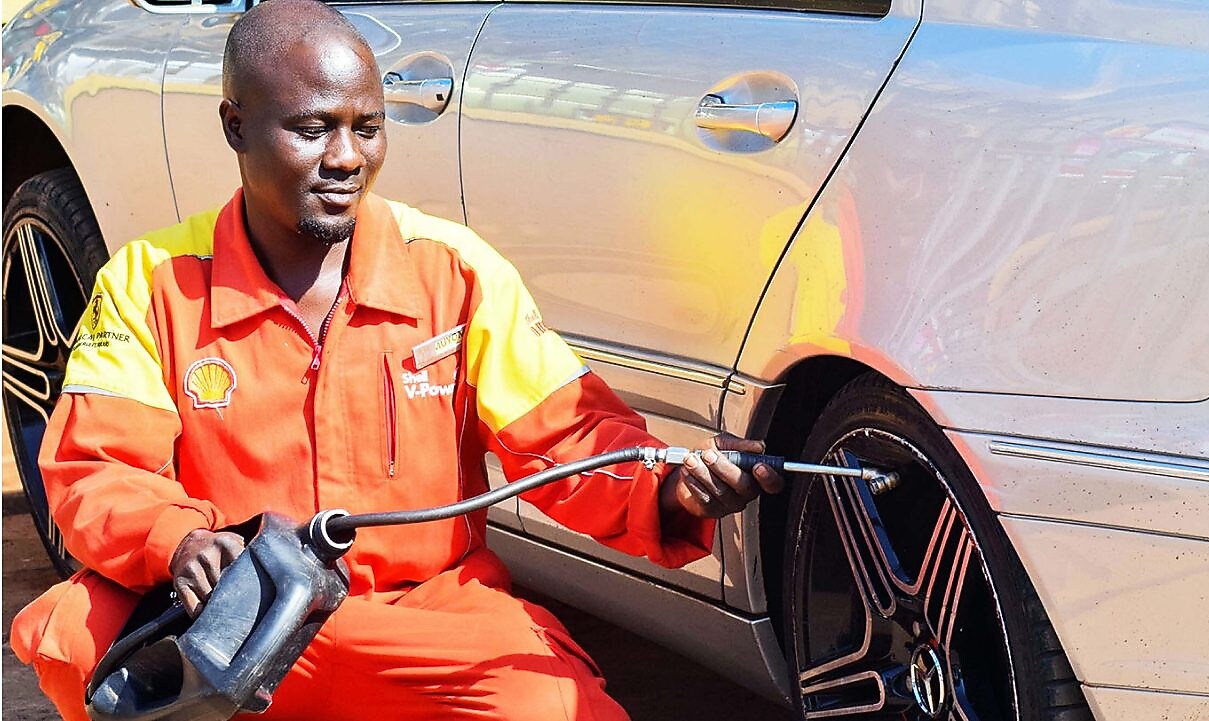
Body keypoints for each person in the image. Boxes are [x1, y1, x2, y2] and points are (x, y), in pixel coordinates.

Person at [9, 1, 784, 719]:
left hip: (426, 615)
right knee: (76, 632)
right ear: (236, 126)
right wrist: (179, 540)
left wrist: (673, 487)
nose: (348, 157)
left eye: (367, 127)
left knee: (550, 702)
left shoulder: (455, 270)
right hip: (236, 616)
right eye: (313, 128)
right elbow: (95, 472)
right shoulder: (149, 282)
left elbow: (569, 439)